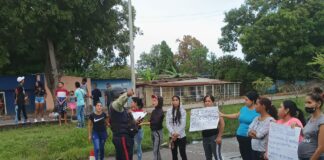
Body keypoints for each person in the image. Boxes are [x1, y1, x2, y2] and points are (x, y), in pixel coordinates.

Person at [220, 91, 259, 160]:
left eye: (246, 100)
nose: (245, 101)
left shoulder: (258, 111)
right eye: (245, 99)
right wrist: (223, 115)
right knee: (244, 156)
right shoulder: (244, 108)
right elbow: (236, 115)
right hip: (240, 138)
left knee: (251, 157)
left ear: (252, 101)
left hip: (250, 139)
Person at [110, 87, 141, 160]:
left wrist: (135, 122)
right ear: (118, 95)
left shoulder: (121, 108)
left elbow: (124, 122)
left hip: (125, 137)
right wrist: (127, 94)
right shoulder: (115, 105)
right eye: (122, 93)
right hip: (122, 138)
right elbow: (119, 102)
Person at [298, 90, 324, 160]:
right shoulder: (310, 118)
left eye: (309, 102)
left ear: (318, 104)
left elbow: (321, 147)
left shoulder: (322, 121)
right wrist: (297, 128)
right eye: (305, 103)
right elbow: (307, 135)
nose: (306, 105)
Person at [202, 95, 225, 160]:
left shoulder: (216, 111)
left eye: (209, 101)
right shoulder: (201, 112)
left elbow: (222, 124)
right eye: (205, 101)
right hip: (205, 137)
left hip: (214, 137)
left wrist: (219, 136)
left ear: (213, 102)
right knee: (208, 157)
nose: (207, 103)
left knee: (217, 156)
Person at [166, 96, 187, 160]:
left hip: (181, 136)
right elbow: (168, 123)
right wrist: (173, 133)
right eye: (173, 100)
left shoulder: (183, 111)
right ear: (172, 101)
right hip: (172, 136)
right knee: (174, 154)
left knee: (182, 153)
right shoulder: (169, 111)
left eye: (176, 100)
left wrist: (177, 133)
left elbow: (183, 124)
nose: (175, 102)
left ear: (179, 101)